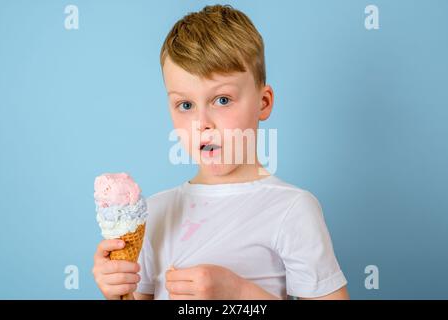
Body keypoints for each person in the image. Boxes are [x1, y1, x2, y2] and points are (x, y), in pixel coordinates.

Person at [92, 4, 349, 300]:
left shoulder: (292, 209)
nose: (203, 124)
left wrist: (238, 293)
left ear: (263, 103)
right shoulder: (157, 211)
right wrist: (117, 292)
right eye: (185, 105)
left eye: (222, 100)